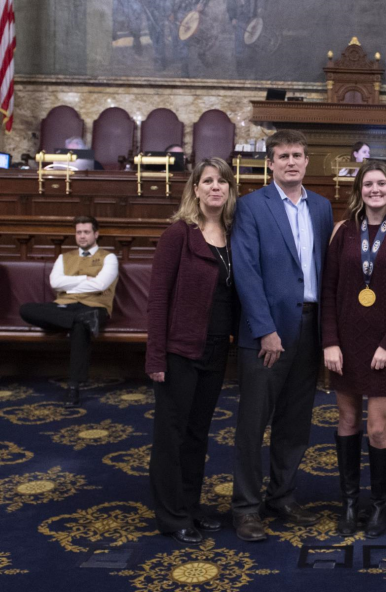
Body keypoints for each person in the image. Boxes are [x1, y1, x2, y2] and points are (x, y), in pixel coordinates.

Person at [230, 129, 334, 542]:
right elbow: (246, 271)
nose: (291, 162)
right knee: (253, 424)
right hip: (267, 335)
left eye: (297, 155)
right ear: (271, 163)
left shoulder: (322, 207)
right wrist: (265, 329)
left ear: (307, 161)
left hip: (309, 327)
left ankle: (282, 496)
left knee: (295, 422)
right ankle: (245, 508)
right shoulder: (251, 206)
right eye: (283, 156)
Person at [322, 161, 386, 538]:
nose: (375, 189)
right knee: (347, 421)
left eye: (382, 183)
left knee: (378, 428)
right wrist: (330, 341)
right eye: (368, 184)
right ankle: (349, 503)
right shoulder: (342, 231)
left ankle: (380, 504)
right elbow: (328, 290)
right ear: (359, 190)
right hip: (345, 344)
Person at [146, 157, 239, 545]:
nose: (216, 187)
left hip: (215, 349)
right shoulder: (178, 234)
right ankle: (172, 515)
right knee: (172, 434)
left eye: (223, 181)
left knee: (198, 434)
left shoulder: (233, 235)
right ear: (195, 189)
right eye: (208, 181)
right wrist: (155, 356)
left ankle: (190, 504)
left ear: (230, 190)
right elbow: (158, 299)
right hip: (180, 350)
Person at [19, 216, 118, 407]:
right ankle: (79, 318)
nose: (82, 236)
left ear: (96, 234)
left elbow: (100, 285)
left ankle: (73, 387)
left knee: (80, 326)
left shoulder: (109, 258)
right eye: (79, 232)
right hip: (65, 307)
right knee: (26, 309)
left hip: (95, 307)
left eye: (86, 232)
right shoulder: (64, 258)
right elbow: (55, 283)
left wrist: (70, 285)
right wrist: (85, 279)